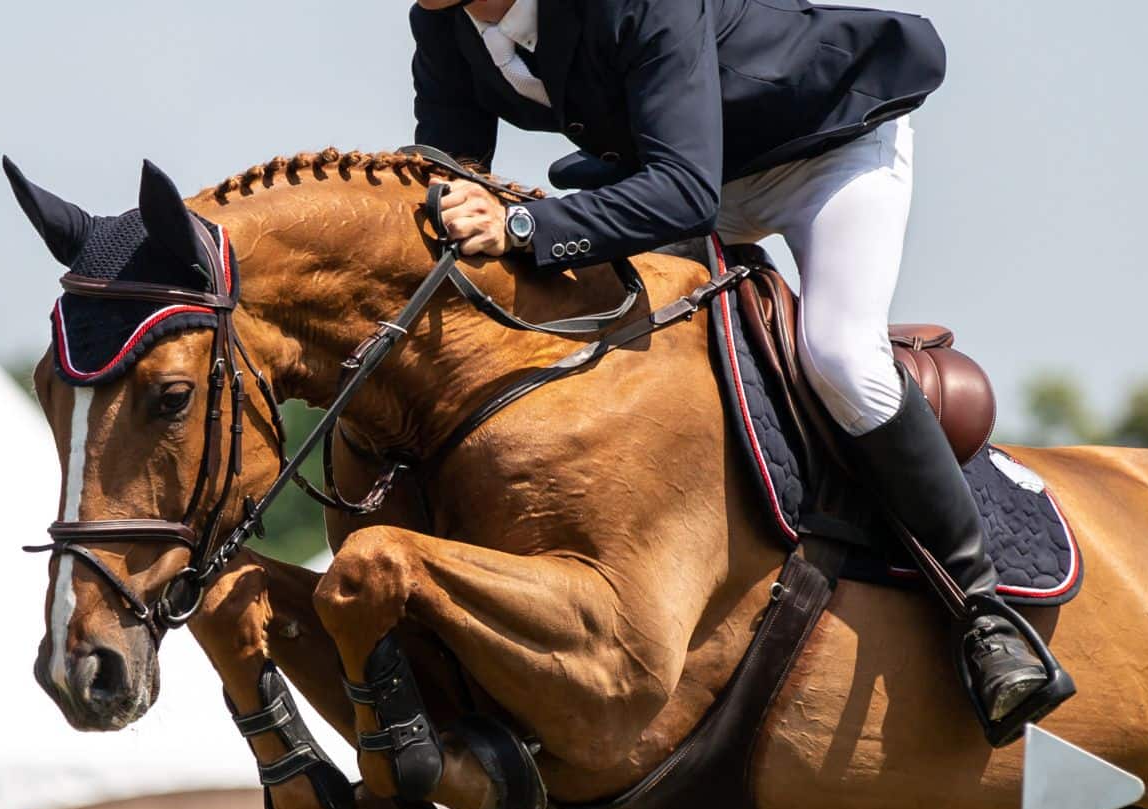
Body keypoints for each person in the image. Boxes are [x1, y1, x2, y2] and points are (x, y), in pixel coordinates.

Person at [407, 0, 1070, 744]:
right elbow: (445, 172)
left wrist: (526, 225)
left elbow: (686, 192)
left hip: (822, 151)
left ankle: (983, 613)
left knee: (840, 356)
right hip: (678, 173)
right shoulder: (443, 23)